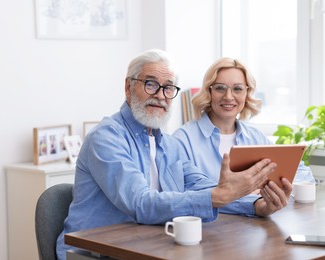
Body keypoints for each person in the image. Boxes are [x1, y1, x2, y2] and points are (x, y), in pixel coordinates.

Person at [56, 50, 292, 259]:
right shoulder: (106, 137)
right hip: (93, 253)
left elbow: (202, 187)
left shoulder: (169, 145)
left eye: (168, 87)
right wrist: (218, 196)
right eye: (150, 84)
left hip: (145, 248)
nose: (160, 95)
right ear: (128, 87)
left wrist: (257, 206)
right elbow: (140, 203)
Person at [173, 57, 315, 185]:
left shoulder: (255, 137)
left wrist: (273, 188)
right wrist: (248, 197)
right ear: (208, 92)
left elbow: (303, 174)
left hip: (260, 214)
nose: (228, 96)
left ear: (247, 93)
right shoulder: (182, 140)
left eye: (237, 89)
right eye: (220, 88)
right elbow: (190, 193)